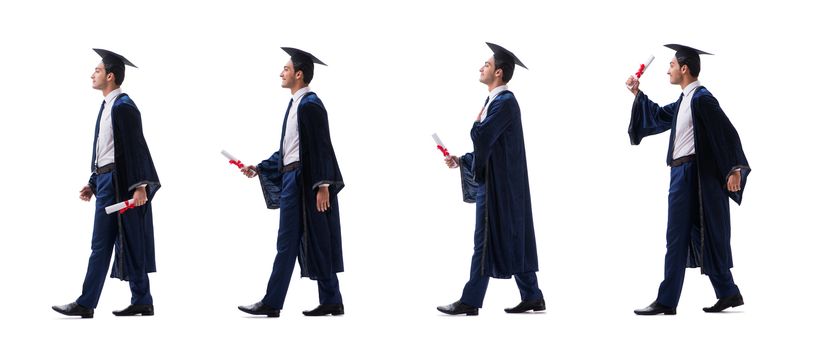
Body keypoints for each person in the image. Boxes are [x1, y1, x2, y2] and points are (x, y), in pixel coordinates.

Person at [627, 44, 750, 315]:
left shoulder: (701, 99)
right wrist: (637, 93)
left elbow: (727, 133)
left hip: (693, 175)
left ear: (684, 68)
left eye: (671, 65)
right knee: (700, 235)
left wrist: (735, 169)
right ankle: (728, 292)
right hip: (681, 174)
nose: (667, 70)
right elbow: (659, 116)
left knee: (677, 237)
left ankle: (666, 301)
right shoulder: (684, 101)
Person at [437, 43, 545, 316]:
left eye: (486, 65)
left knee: (484, 240)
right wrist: (462, 160)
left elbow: (482, 136)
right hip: (505, 184)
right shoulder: (495, 102)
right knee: (514, 236)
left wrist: (475, 124)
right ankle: (532, 295)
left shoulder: (505, 102)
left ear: (498, 72)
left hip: (500, 187)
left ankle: (470, 300)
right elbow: (491, 148)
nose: (481, 68)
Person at [237, 47, 345, 318]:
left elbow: (321, 147)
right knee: (294, 241)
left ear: (299, 74)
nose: (281, 73)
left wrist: (322, 186)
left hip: (305, 181)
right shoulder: (296, 104)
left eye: (286, 69)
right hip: (293, 178)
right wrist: (260, 168)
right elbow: (289, 151)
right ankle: (330, 300)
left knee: (301, 240)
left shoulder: (310, 104)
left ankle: (274, 302)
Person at [53, 49, 161, 318]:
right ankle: (140, 300)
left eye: (98, 70)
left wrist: (139, 186)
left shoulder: (124, 106)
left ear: (110, 76)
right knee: (110, 242)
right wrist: (93, 180)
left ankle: (88, 303)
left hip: (120, 183)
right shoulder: (107, 106)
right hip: (105, 181)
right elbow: (107, 149)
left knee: (116, 241)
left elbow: (136, 148)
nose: (92, 74)